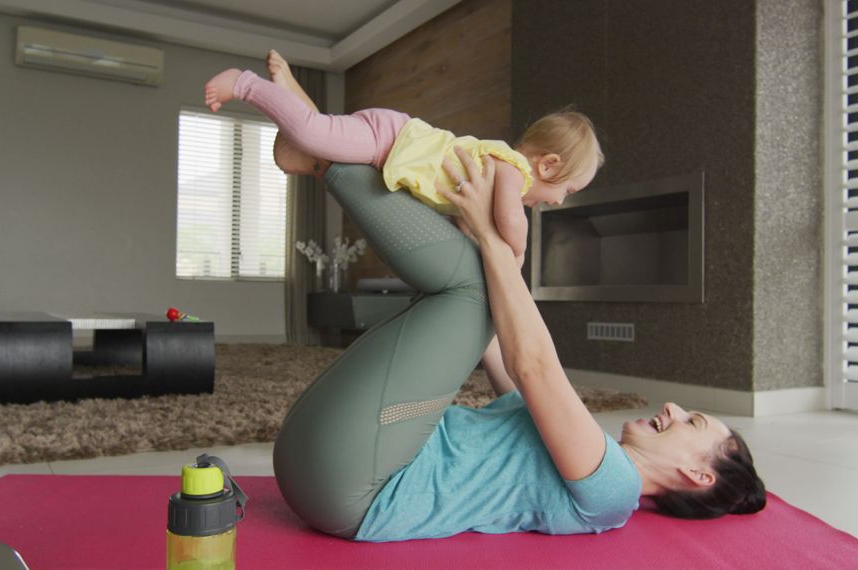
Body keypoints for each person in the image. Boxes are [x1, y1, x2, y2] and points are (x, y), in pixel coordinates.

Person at [269, 150, 766, 542]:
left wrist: (493, 240)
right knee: (478, 289)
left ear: (698, 474)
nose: (674, 408)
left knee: (472, 287)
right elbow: (503, 346)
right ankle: (328, 154)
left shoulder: (616, 490)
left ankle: (325, 156)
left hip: (361, 484)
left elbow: (533, 365)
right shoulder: (588, 450)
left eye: (692, 423)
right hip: (337, 462)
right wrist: (482, 241)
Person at [204, 50, 602, 265]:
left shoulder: (492, 175)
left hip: (390, 145)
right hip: (389, 138)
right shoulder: (512, 169)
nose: (559, 201)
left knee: (320, 140)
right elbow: (511, 224)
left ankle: (292, 92)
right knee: (312, 133)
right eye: (567, 190)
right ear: (547, 165)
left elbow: (467, 222)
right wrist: (519, 253)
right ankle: (244, 83)